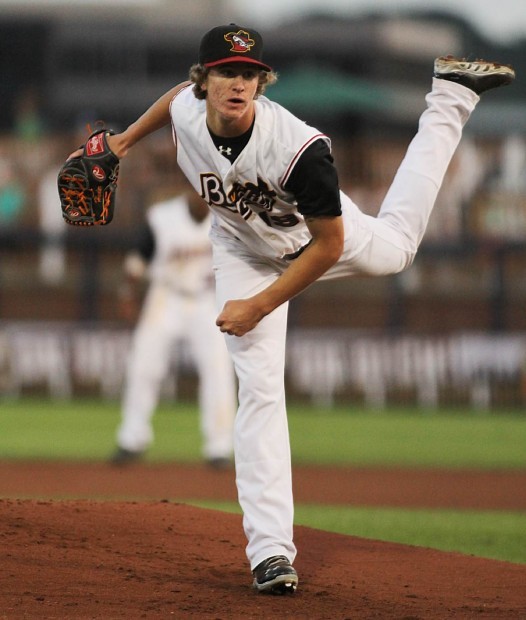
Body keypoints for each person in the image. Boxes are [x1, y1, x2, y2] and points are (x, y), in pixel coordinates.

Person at [68, 24, 515, 594]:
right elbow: (173, 104)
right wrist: (124, 142)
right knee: (258, 390)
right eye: (227, 72)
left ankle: (451, 95)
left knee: (398, 248)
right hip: (238, 246)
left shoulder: (302, 151)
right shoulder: (187, 106)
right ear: (203, 80)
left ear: (262, 81)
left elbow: (327, 246)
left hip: (309, 242)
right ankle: (271, 553)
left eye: (250, 74)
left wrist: (259, 304)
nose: (239, 83)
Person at [110, 189, 237, 469]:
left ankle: (218, 447)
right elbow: (136, 261)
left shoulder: (227, 216)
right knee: (143, 367)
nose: (202, 198)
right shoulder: (162, 217)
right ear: (190, 190)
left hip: (207, 301)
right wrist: (126, 295)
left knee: (218, 370)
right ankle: (132, 439)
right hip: (165, 298)